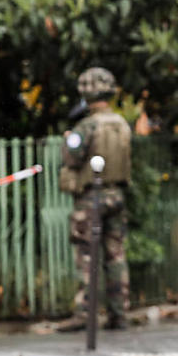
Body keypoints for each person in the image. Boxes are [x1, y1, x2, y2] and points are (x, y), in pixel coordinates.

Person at [56, 67, 133, 332]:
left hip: (91, 197)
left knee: (87, 257)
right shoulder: (121, 124)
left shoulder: (87, 126)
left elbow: (71, 157)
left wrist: (68, 142)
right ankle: (119, 314)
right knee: (116, 255)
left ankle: (83, 314)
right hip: (117, 195)